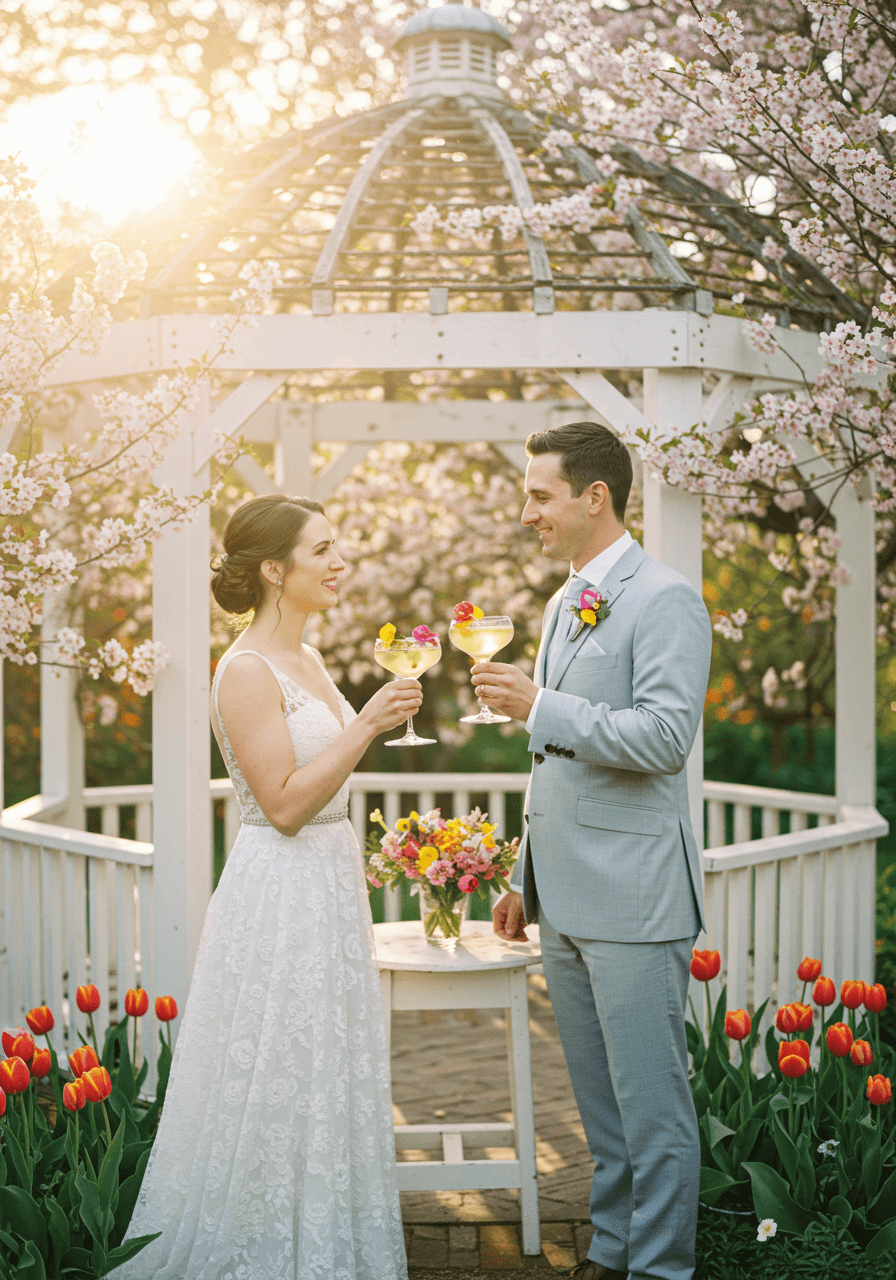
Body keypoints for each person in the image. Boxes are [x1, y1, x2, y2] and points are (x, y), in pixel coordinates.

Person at [111, 493, 419, 1280]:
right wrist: (366, 725)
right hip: (279, 890)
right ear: (276, 570)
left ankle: (317, 1240)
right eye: (323, 550)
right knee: (273, 1066)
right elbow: (282, 803)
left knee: (322, 1065)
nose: (340, 560)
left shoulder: (307, 659)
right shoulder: (244, 668)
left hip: (328, 882)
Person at [474, 423, 712, 1280]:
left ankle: (660, 1269)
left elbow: (662, 740)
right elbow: (554, 764)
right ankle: (612, 1253)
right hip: (565, 897)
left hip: (637, 898)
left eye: (540, 495)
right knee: (601, 1113)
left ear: (594, 497)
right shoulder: (560, 601)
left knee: (652, 1110)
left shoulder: (666, 599)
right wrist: (520, 878)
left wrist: (541, 705)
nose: (526, 512)